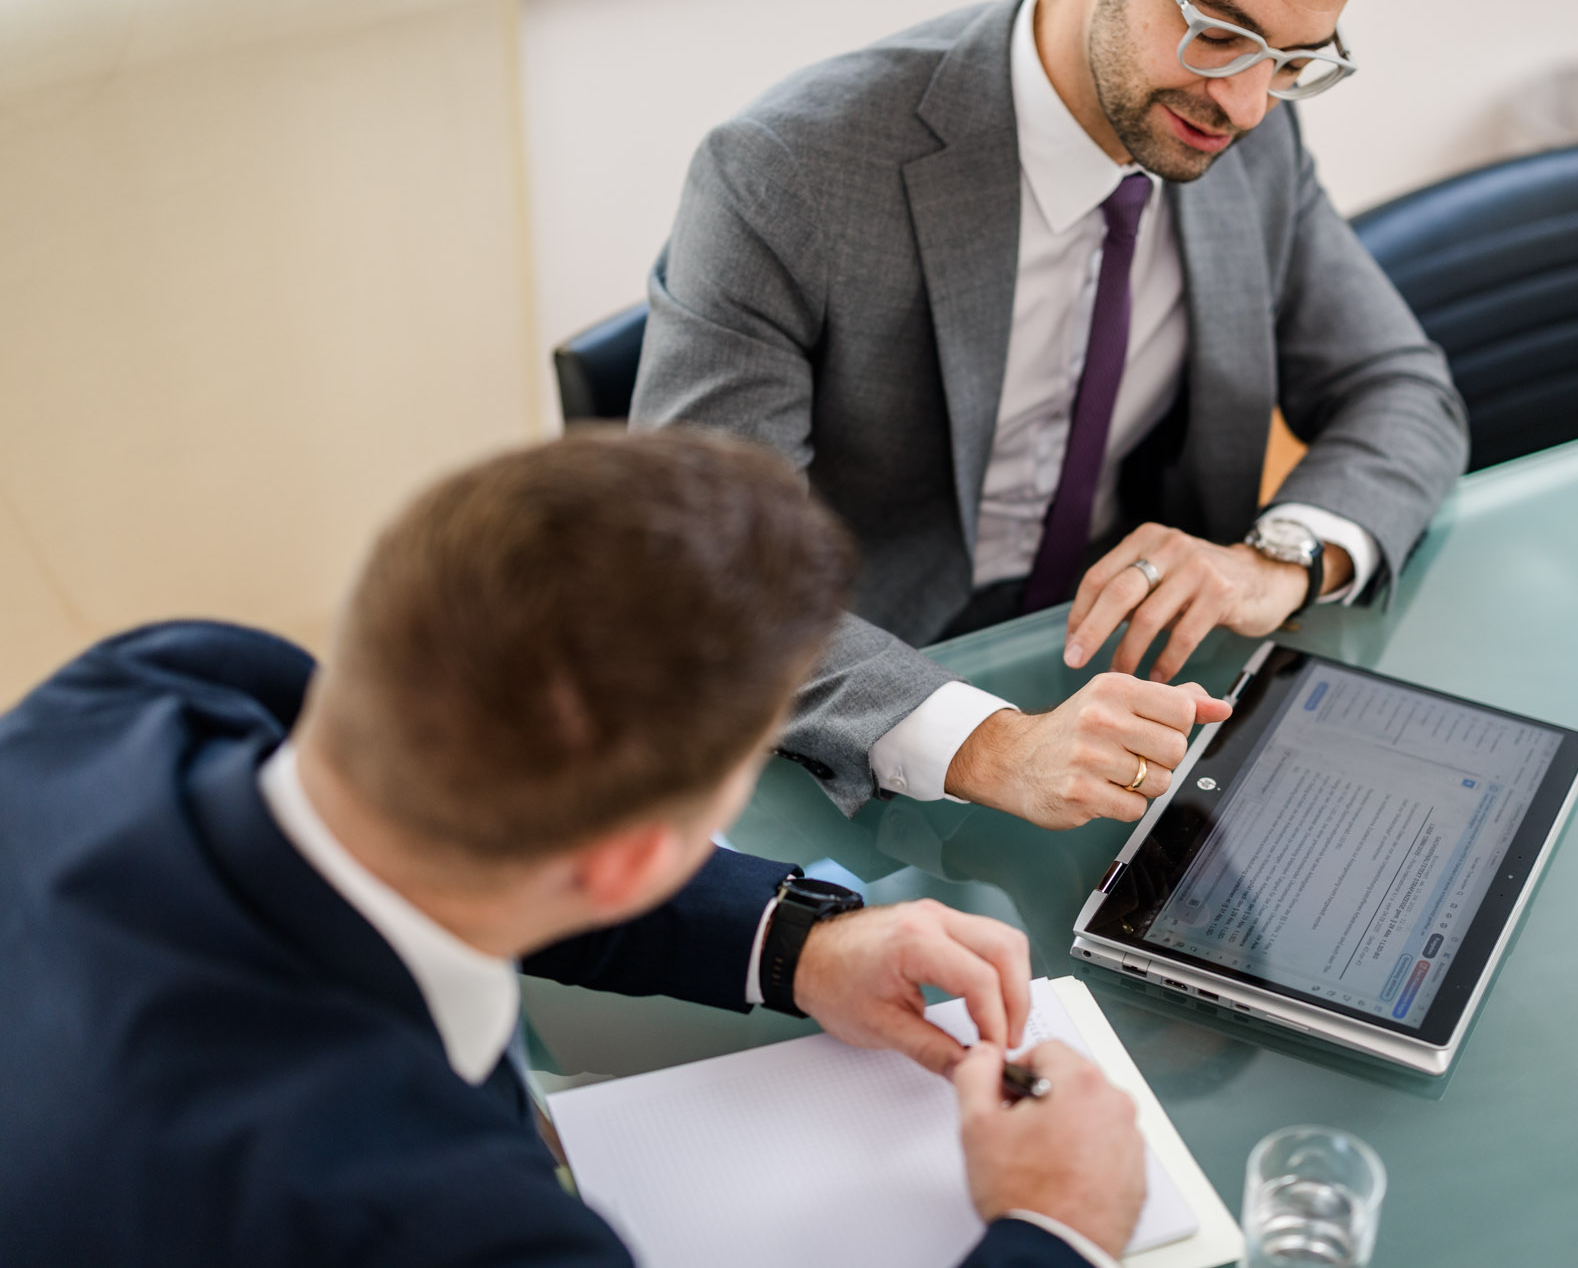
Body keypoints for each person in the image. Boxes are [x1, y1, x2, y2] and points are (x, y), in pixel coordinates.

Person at [0, 430, 1145, 1268]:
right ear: (635, 855)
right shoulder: (440, 1223)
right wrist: (1051, 1230)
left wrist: (796, 940)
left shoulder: (162, 683)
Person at [633, 0, 1469, 832]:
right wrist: (995, 745)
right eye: (1219, 33)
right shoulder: (786, 173)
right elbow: (700, 576)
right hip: (847, 730)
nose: (1247, 104)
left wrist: (1278, 561)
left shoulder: (1252, 141)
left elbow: (1401, 389)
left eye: (1293, 60)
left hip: (1135, 696)